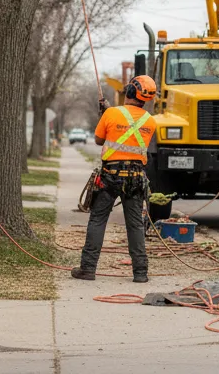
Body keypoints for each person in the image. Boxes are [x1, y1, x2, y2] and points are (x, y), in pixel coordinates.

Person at [71, 75, 158, 283]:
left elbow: (100, 139)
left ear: (128, 92)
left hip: (110, 177)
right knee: (135, 225)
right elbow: (129, 125)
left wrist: (106, 114)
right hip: (136, 178)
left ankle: (88, 268)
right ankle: (140, 273)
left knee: (98, 220)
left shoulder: (111, 114)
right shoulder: (151, 121)